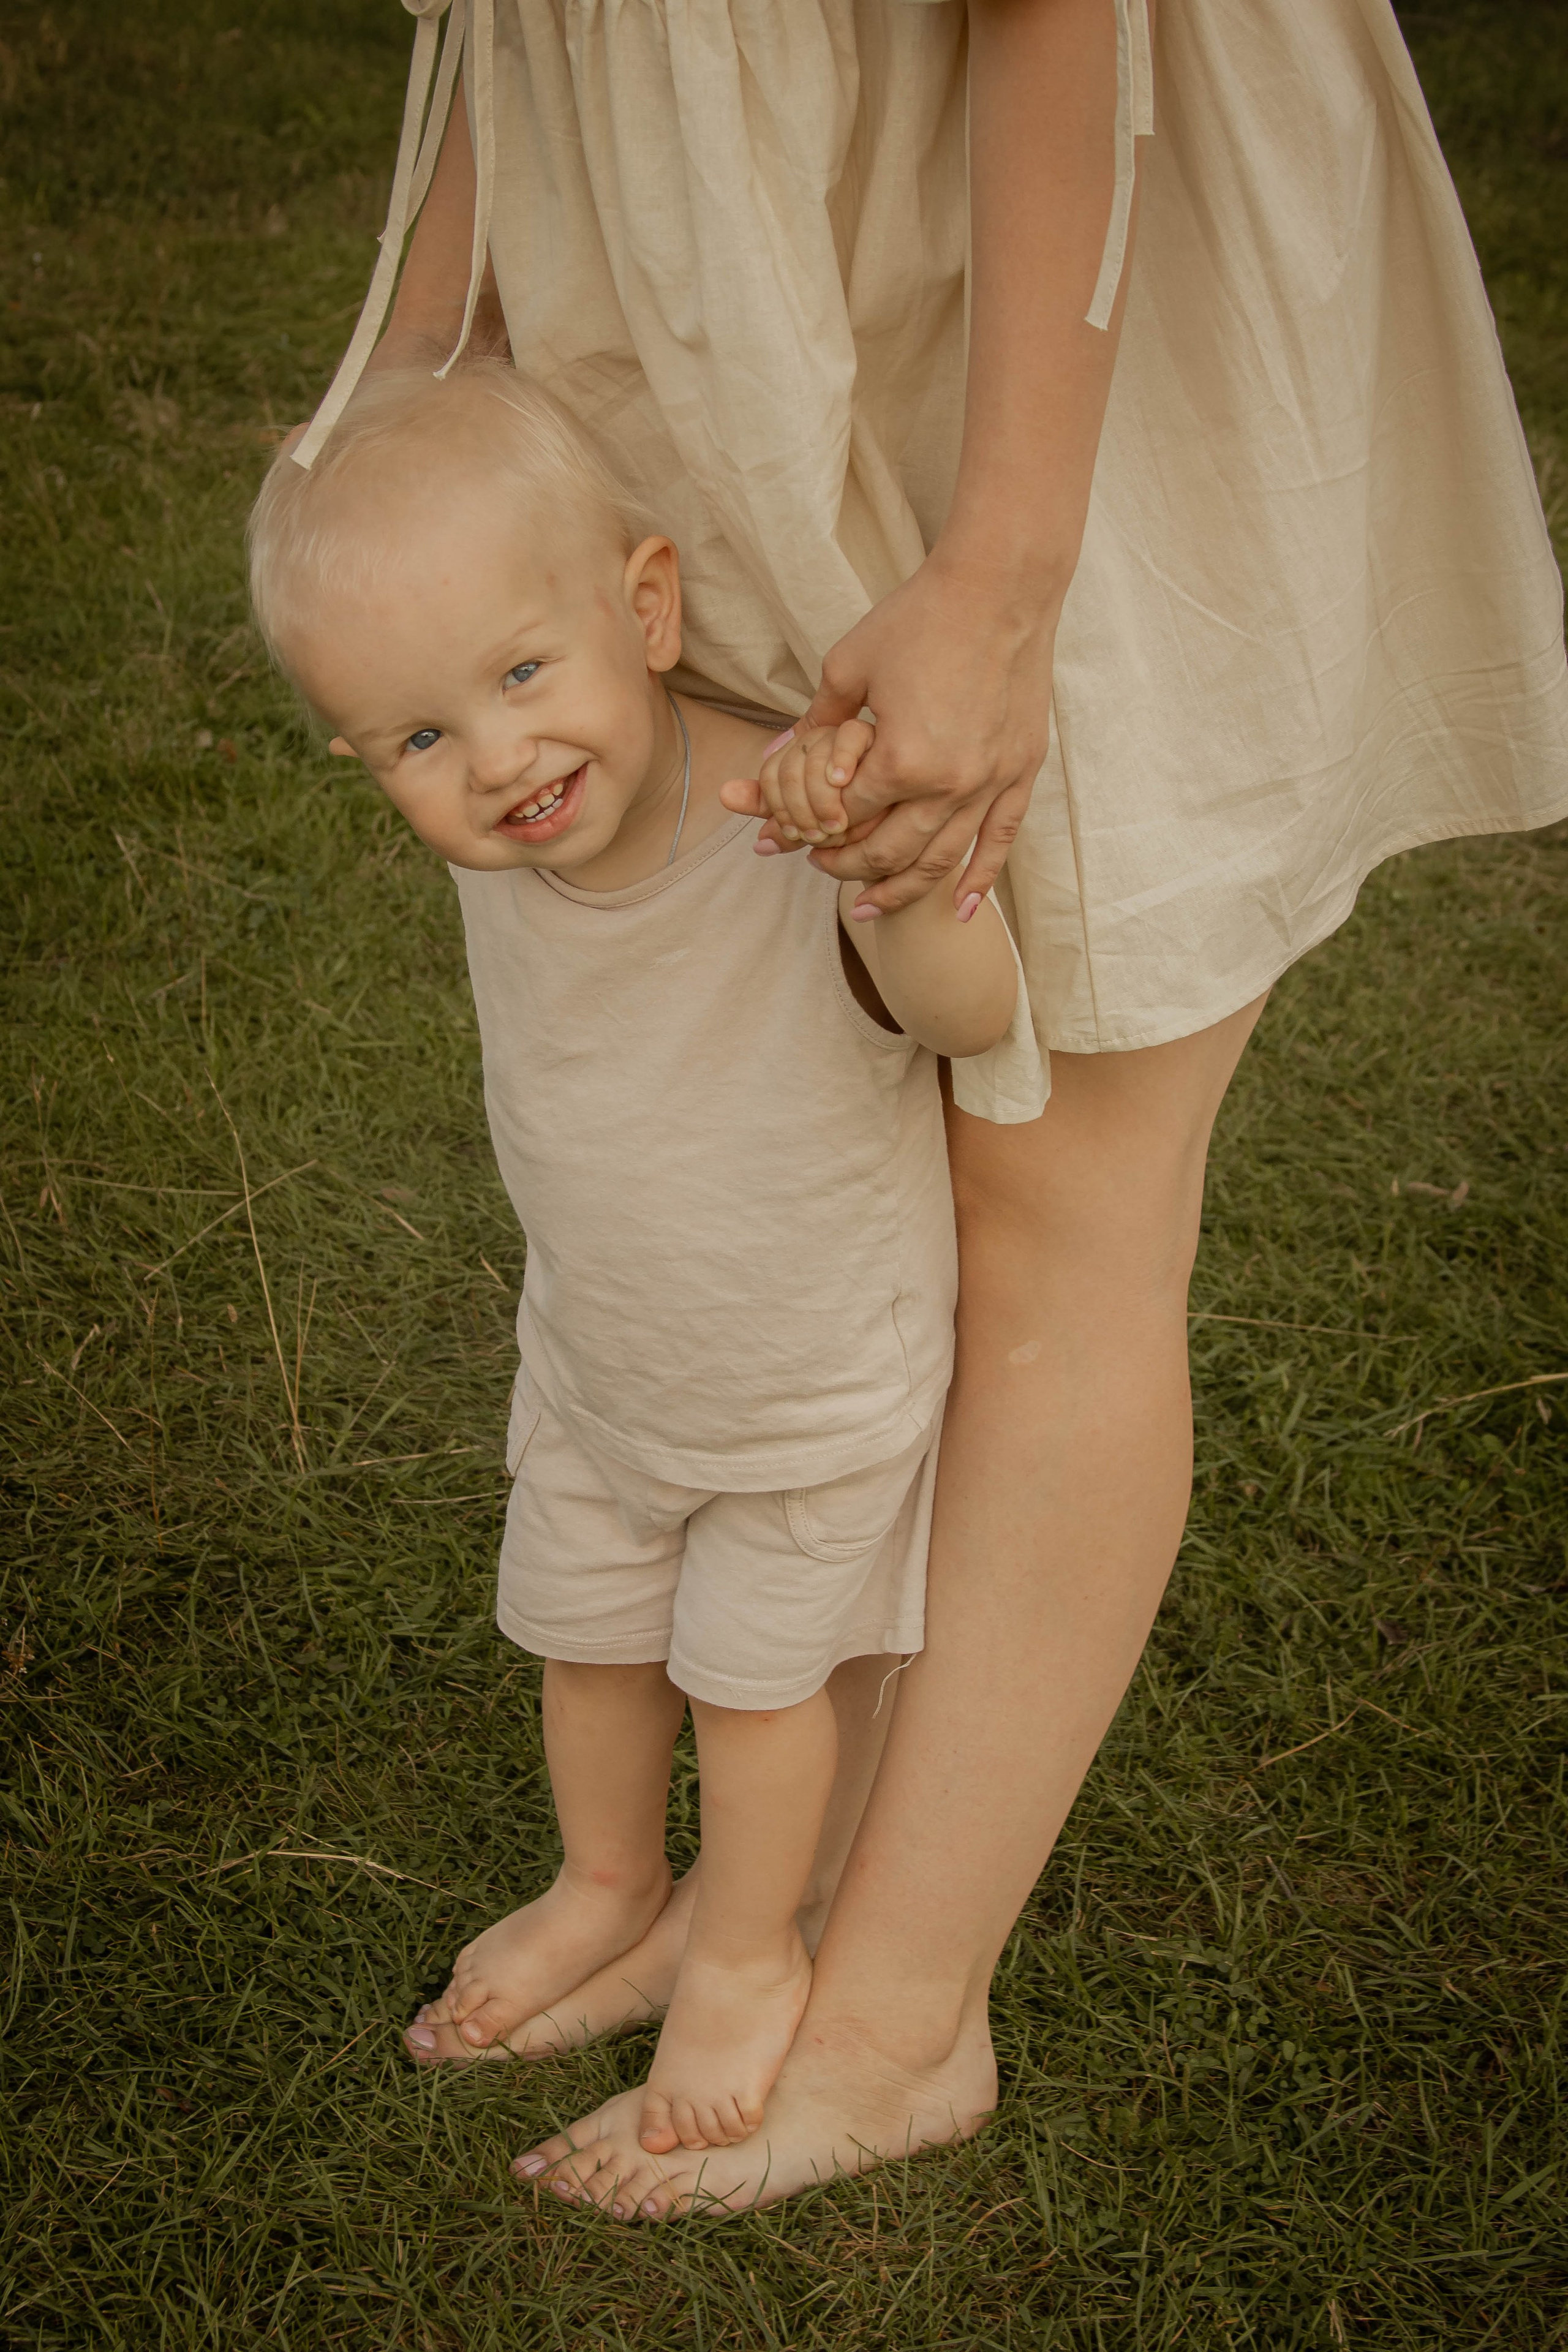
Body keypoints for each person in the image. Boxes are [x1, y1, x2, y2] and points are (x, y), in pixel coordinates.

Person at [287, 0, 1568, 2215]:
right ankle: (754, 1910)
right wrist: (393, 397)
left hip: (1039, 250)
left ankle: (892, 2014)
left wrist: (997, 576)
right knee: (851, 1174)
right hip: (710, 273)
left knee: (1056, 1193)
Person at [249, 362, 1031, 2163]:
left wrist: (892, 886)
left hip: (804, 1377)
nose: (500, 760)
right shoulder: (506, 845)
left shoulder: (780, 818)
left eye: (523, 677)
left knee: (754, 1694)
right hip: (603, 1360)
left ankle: (749, 1951)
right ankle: (607, 1882)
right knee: (589, 1647)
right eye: (417, 741)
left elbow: (977, 1021)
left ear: (649, 606)